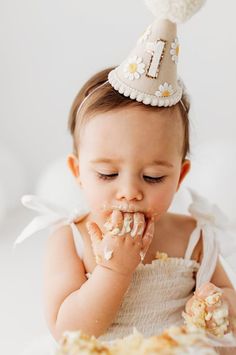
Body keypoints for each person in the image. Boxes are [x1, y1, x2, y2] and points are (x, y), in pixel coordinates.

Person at [15, 0, 236, 353]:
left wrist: (217, 304)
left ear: (180, 177)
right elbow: (67, 331)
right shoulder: (71, 241)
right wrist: (113, 271)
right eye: (107, 174)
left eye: (152, 177)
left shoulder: (192, 236)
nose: (130, 192)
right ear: (78, 172)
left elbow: (229, 301)